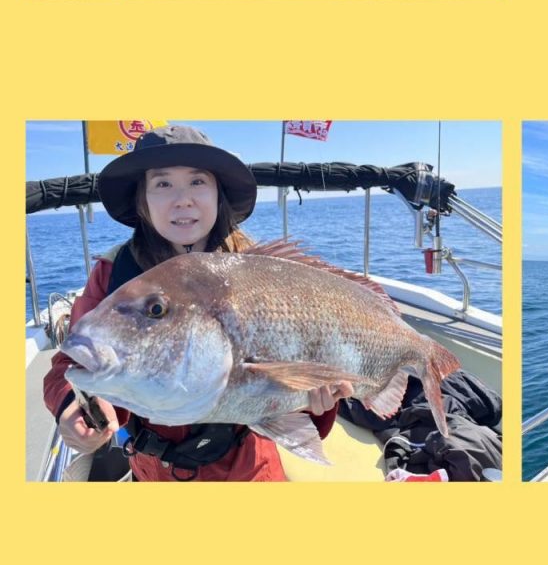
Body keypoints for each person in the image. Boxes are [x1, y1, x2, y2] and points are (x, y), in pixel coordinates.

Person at [42, 125, 351, 481]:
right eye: (162, 184)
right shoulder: (114, 275)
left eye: (197, 181)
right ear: (143, 200)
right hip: (153, 470)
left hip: (249, 469)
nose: (182, 199)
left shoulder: (262, 271)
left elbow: (299, 393)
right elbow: (70, 363)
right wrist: (73, 405)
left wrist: (319, 403)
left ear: (218, 194)